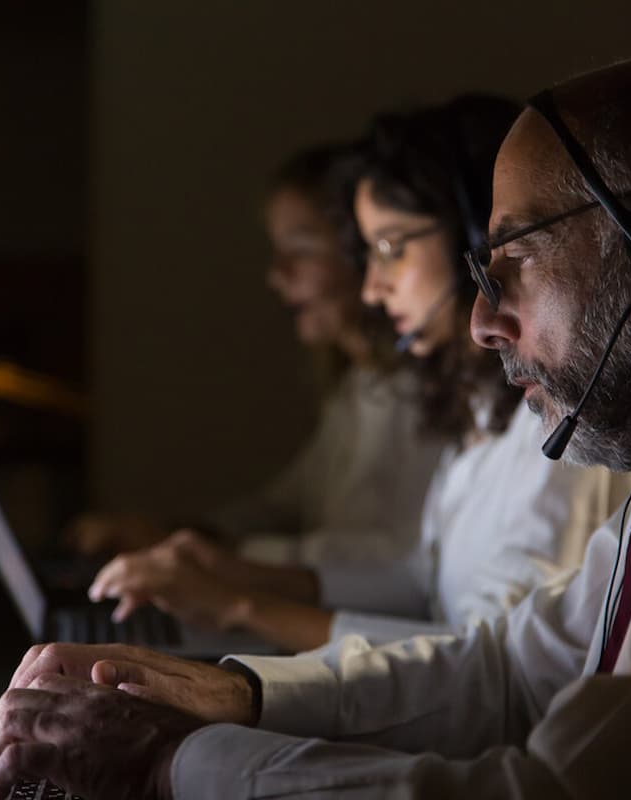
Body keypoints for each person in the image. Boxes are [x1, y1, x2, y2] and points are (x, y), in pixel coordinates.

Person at [0, 50, 631, 799]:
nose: (482, 321)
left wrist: (174, 764)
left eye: (515, 261)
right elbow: (514, 671)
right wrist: (238, 697)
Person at [87, 98, 621, 653]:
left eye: (391, 249)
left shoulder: (560, 432)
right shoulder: (481, 411)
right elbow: (418, 575)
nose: (371, 289)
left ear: (475, 239)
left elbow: (489, 667)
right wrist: (233, 568)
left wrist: (241, 608)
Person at [68, 143, 451, 569]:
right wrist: (179, 536)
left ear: (359, 251)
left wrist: (214, 555)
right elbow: (285, 503)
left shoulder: (422, 392)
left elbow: (400, 559)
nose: (277, 275)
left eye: (301, 250)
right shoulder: (358, 386)